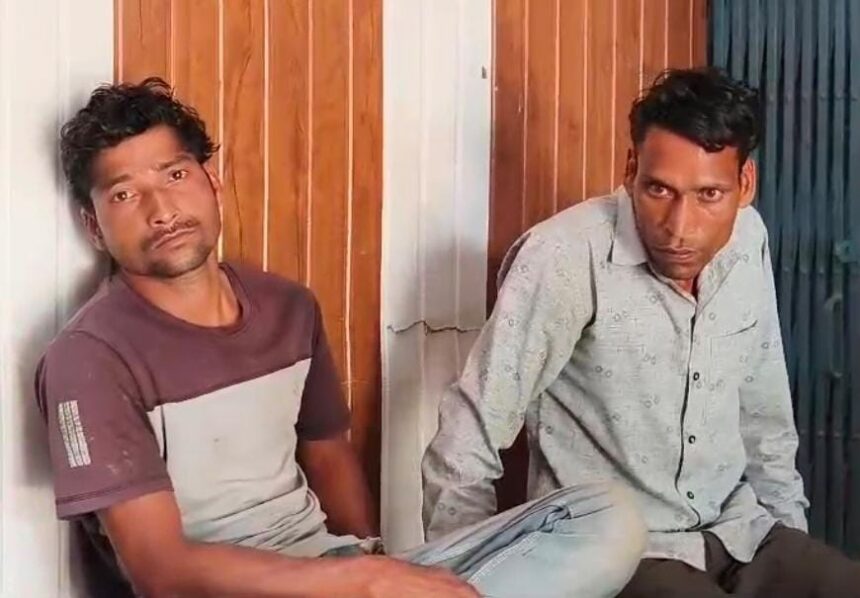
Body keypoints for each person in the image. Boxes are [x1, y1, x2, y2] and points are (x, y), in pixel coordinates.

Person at [36, 78, 645, 598]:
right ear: (94, 226)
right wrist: (365, 581)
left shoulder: (287, 308)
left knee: (604, 518)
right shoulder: (88, 360)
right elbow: (160, 572)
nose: (161, 209)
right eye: (124, 194)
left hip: (330, 571)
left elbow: (326, 452)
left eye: (174, 175)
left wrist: (372, 558)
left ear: (213, 181)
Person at [422, 67, 860, 597]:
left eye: (709, 195)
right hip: (626, 557)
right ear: (631, 170)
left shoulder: (749, 239)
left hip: (742, 534)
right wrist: (460, 580)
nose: (680, 227)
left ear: (745, 184)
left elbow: (765, 417)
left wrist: (791, 545)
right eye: (659, 190)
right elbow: (467, 435)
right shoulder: (566, 257)